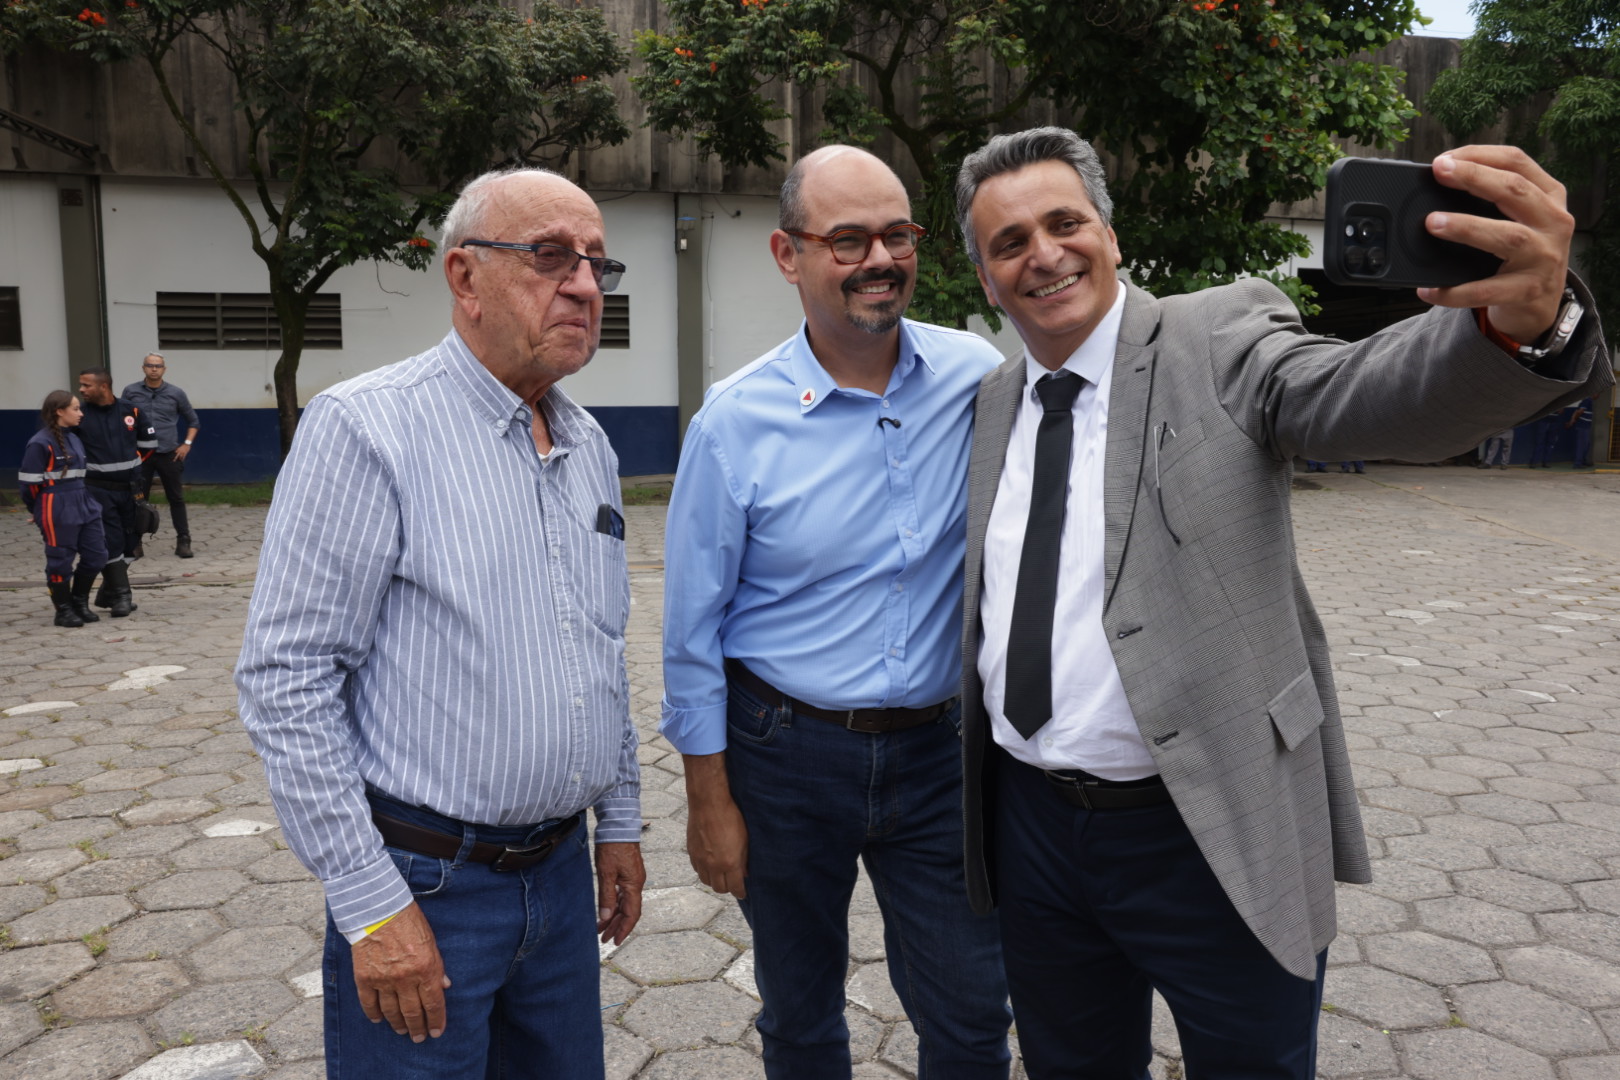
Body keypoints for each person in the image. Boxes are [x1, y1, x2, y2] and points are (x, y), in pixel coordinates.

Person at [952, 128, 1612, 1080]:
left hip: (1211, 822)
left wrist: (1520, 325)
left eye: (1065, 223)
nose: (1044, 254)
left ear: (1110, 234)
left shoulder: (1217, 335)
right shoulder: (994, 402)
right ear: (986, 280)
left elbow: (1355, 390)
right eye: (1009, 243)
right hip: (1034, 830)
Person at [236, 167, 645, 1080]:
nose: (585, 285)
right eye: (552, 257)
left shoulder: (589, 445)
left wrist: (618, 822)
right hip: (425, 886)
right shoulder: (367, 429)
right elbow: (287, 679)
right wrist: (370, 904)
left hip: (560, 879)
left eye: (597, 264)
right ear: (465, 276)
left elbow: (602, 649)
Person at [662, 145, 1013, 1079]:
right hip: (785, 754)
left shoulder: (978, 378)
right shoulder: (733, 422)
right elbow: (690, 633)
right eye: (848, 239)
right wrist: (708, 801)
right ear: (789, 254)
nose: (880, 260)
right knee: (802, 1009)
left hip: (941, 756)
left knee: (974, 1009)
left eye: (898, 235)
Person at [19, 390, 108, 627]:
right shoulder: (40, 443)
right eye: (75, 409)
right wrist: (36, 510)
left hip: (83, 500)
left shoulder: (74, 438)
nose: (81, 413)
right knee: (60, 560)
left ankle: (79, 602)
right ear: (59, 411)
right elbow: (29, 485)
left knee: (97, 555)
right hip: (55, 504)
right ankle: (63, 610)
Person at [75, 369, 157, 617]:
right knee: (111, 542)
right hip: (97, 490)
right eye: (81, 385)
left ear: (103, 386)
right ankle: (122, 596)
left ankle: (107, 592)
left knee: (132, 542)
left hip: (131, 490)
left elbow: (149, 445)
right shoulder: (80, 414)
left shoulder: (131, 411)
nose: (81, 390)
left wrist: (132, 468)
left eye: (86, 385)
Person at [123, 353, 200, 558]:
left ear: (164, 369)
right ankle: (135, 543)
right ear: (143, 368)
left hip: (169, 454)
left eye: (158, 366)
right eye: (150, 365)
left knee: (176, 498)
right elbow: (122, 420)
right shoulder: (131, 392)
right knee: (139, 499)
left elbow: (193, 422)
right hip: (141, 455)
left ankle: (183, 541)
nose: (154, 369)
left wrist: (186, 445)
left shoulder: (176, 393)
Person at [1567, 396, 1595, 468]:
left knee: (1586, 444)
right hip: (1583, 426)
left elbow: (1576, 411)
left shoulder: (1587, 401)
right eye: (1598, 393)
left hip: (1586, 426)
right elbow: (1579, 411)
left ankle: (1582, 461)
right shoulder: (1587, 400)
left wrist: (1572, 420)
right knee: (1582, 445)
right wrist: (1573, 420)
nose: (1598, 396)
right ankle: (1577, 463)